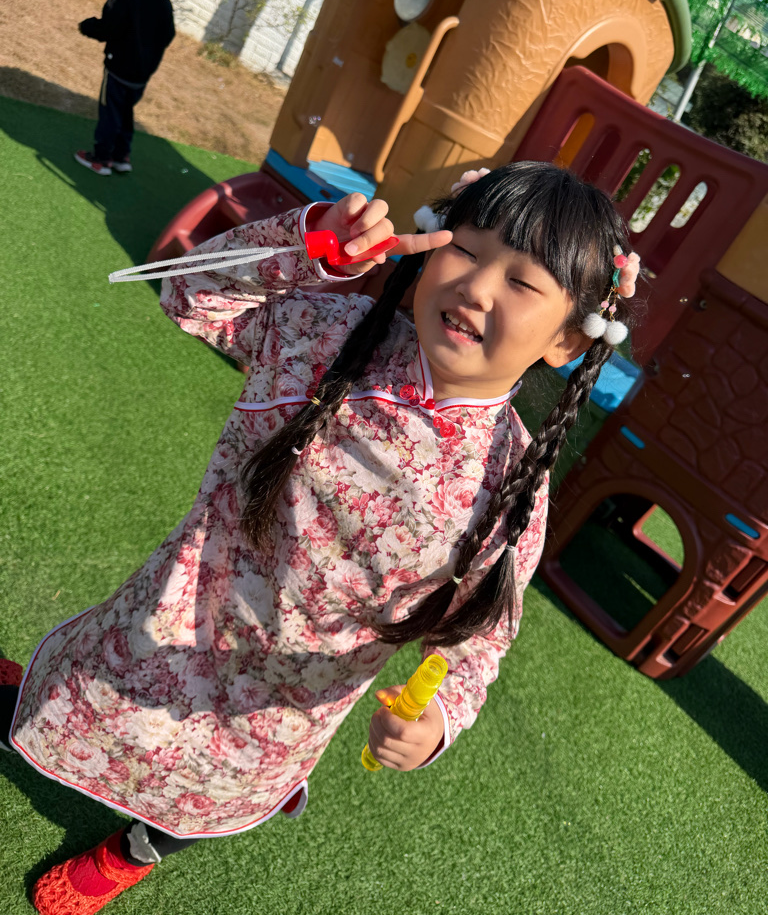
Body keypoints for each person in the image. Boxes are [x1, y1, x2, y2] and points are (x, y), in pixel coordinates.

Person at [2, 163, 639, 915]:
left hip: (283, 708)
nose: (475, 287)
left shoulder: (510, 489)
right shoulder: (323, 335)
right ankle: (21, 712)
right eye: (465, 249)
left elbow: (476, 640)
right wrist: (305, 245)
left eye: (523, 282)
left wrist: (437, 718)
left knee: (211, 795)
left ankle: (132, 851)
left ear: (568, 338)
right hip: (171, 616)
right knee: (77, 698)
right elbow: (187, 292)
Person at [74, 0, 182, 177]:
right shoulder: (164, 5)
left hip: (117, 70)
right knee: (125, 112)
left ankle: (101, 159)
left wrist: (87, 26)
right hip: (140, 77)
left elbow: (107, 28)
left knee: (110, 113)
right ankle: (121, 156)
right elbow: (168, 36)